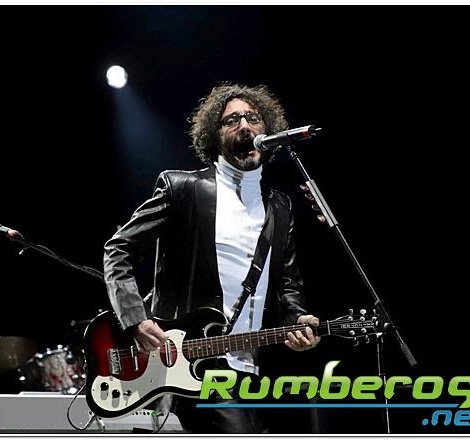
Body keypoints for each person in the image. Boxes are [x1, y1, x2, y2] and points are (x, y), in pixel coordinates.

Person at [103, 83, 320, 433]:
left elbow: (287, 283)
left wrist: (298, 318)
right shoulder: (183, 188)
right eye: (231, 120)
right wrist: (136, 320)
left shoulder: (279, 206)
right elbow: (118, 249)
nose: (245, 126)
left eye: (253, 118)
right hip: (189, 361)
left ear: (268, 130)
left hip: (253, 366)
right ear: (214, 136)